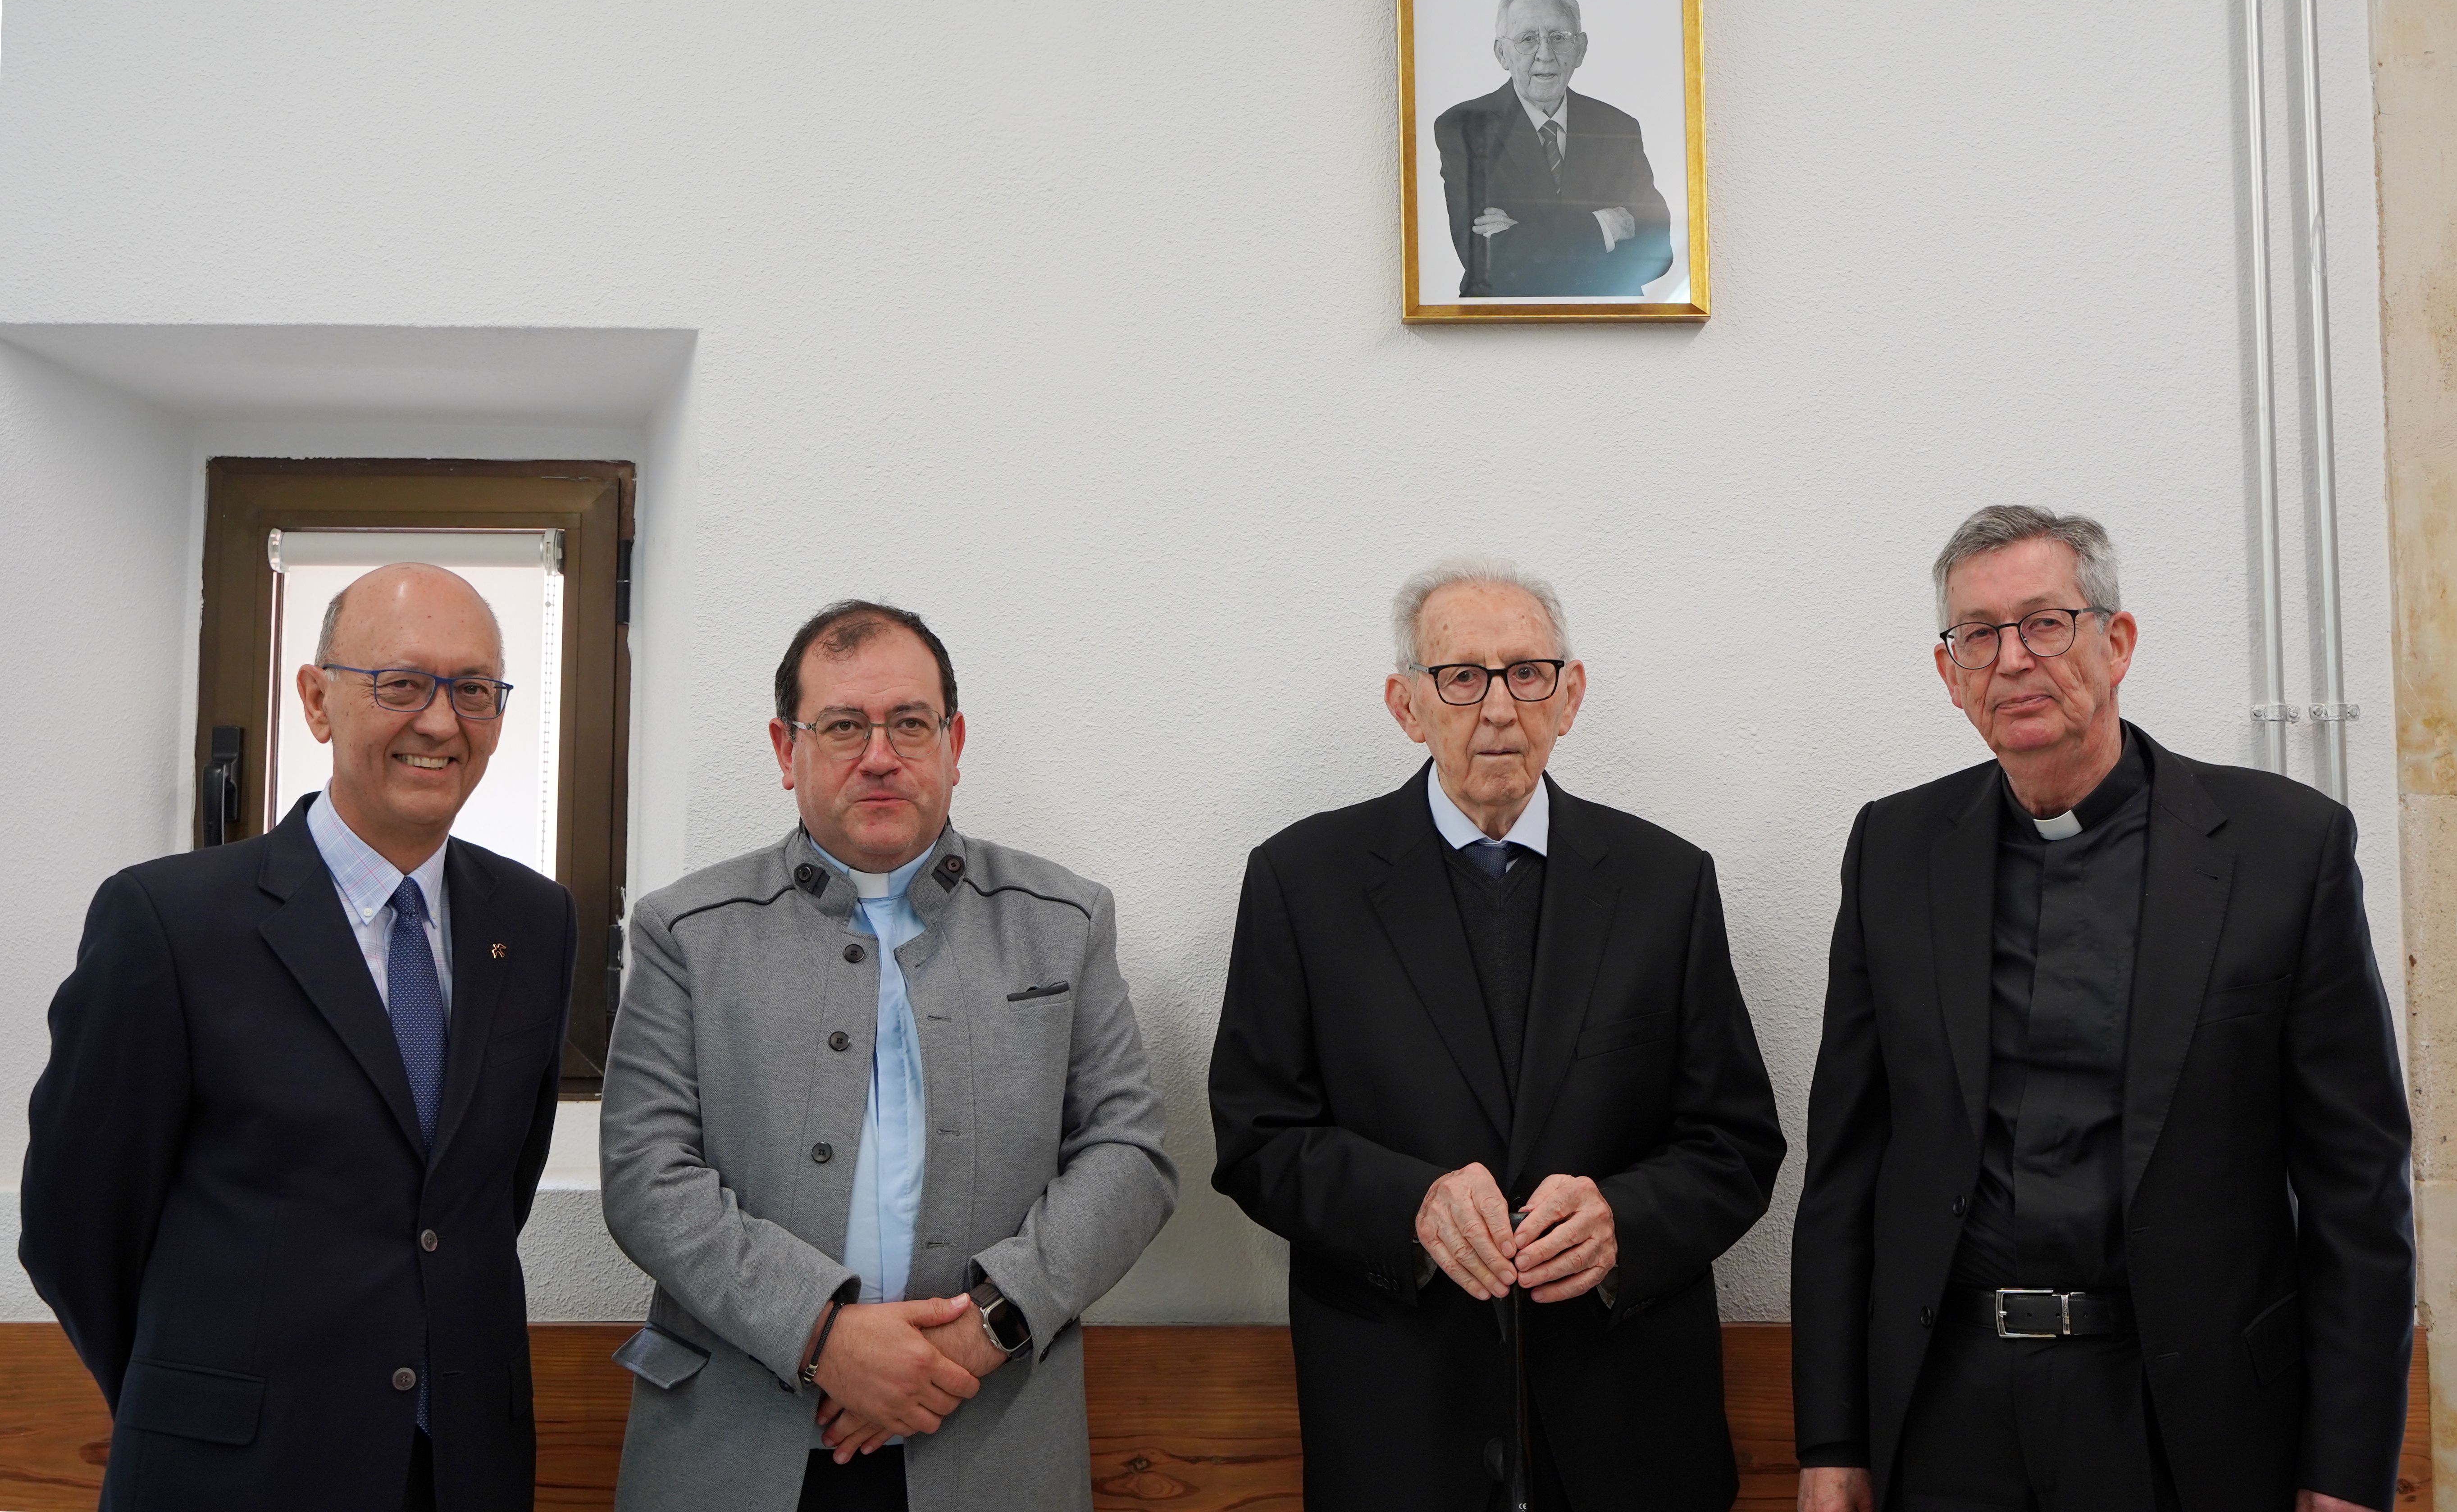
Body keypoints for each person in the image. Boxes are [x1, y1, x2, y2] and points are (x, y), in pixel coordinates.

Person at [1792, 506, 2414, 1512]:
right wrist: (1828, 1439)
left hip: (2180, 1410)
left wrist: (2343, 1474)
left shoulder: (2279, 850)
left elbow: (2357, 1190)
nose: (2012, 660)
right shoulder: (1891, 851)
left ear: (2113, 643)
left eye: (2044, 622)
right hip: (1946, 1404)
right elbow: (1843, 1173)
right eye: (1978, 635)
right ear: (1948, 675)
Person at [1208, 558, 1785, 1511]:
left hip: (1627, 1432)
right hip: (1400, 1429)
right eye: (1461, 676)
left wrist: (1623, 1220)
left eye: (1526, 673)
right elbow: (1257, 1135)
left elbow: (1735, 1142)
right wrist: (1411, 1205)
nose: (1498, 707)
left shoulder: (1664, 881)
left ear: (1569, 695)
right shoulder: (1299, 880)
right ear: (1406, 704)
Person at [20, 564, 578, 1511]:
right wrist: (192, 1394)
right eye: (401, 683)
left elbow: (480, 1199)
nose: (441, 721)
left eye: (473, 689)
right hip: (233, 1472)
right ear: (318, 701)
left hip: (462, 1467)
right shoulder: (169, 920)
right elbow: (77, 1223)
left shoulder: (534, 920)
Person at [600, 601, 1177, 1512]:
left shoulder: (1061, 921)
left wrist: (982, 1328)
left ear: (952, 741)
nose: (879, 754)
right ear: (786, 750)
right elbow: (645, 1177)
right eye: (841, 725)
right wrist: (823, 1334)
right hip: (735, 1441)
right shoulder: (685, 933)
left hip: (986, 1430)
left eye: (908, 723)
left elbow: (1129, 1157)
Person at [1432, 0, 1674, 298]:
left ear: (1581, 49)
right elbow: (1489, 262)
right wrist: (1605, 226)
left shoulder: (1618, 127)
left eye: (1559, 38)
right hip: (1503, 331)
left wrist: (1526, 238)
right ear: (1501, 54)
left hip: (1609, 327)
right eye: (1527, 39)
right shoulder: (1464, 126)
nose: (1545, 55)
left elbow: (1657, 253)